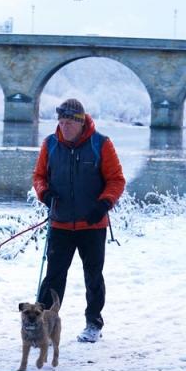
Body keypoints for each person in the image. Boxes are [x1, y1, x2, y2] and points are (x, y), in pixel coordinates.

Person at [32, 98, 126, 343]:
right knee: (53, 276)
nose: (64, 127)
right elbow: (39, 176)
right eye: (60, 122)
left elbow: (116, 180)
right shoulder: (50, 144)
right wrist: (45, 193)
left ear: (81, 122)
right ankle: (42, 325)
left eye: (68, 123)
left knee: (93, 275)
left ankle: (93, 323)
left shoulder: (101, 144)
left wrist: (104, 203)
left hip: (93, 224)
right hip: (60, 223)